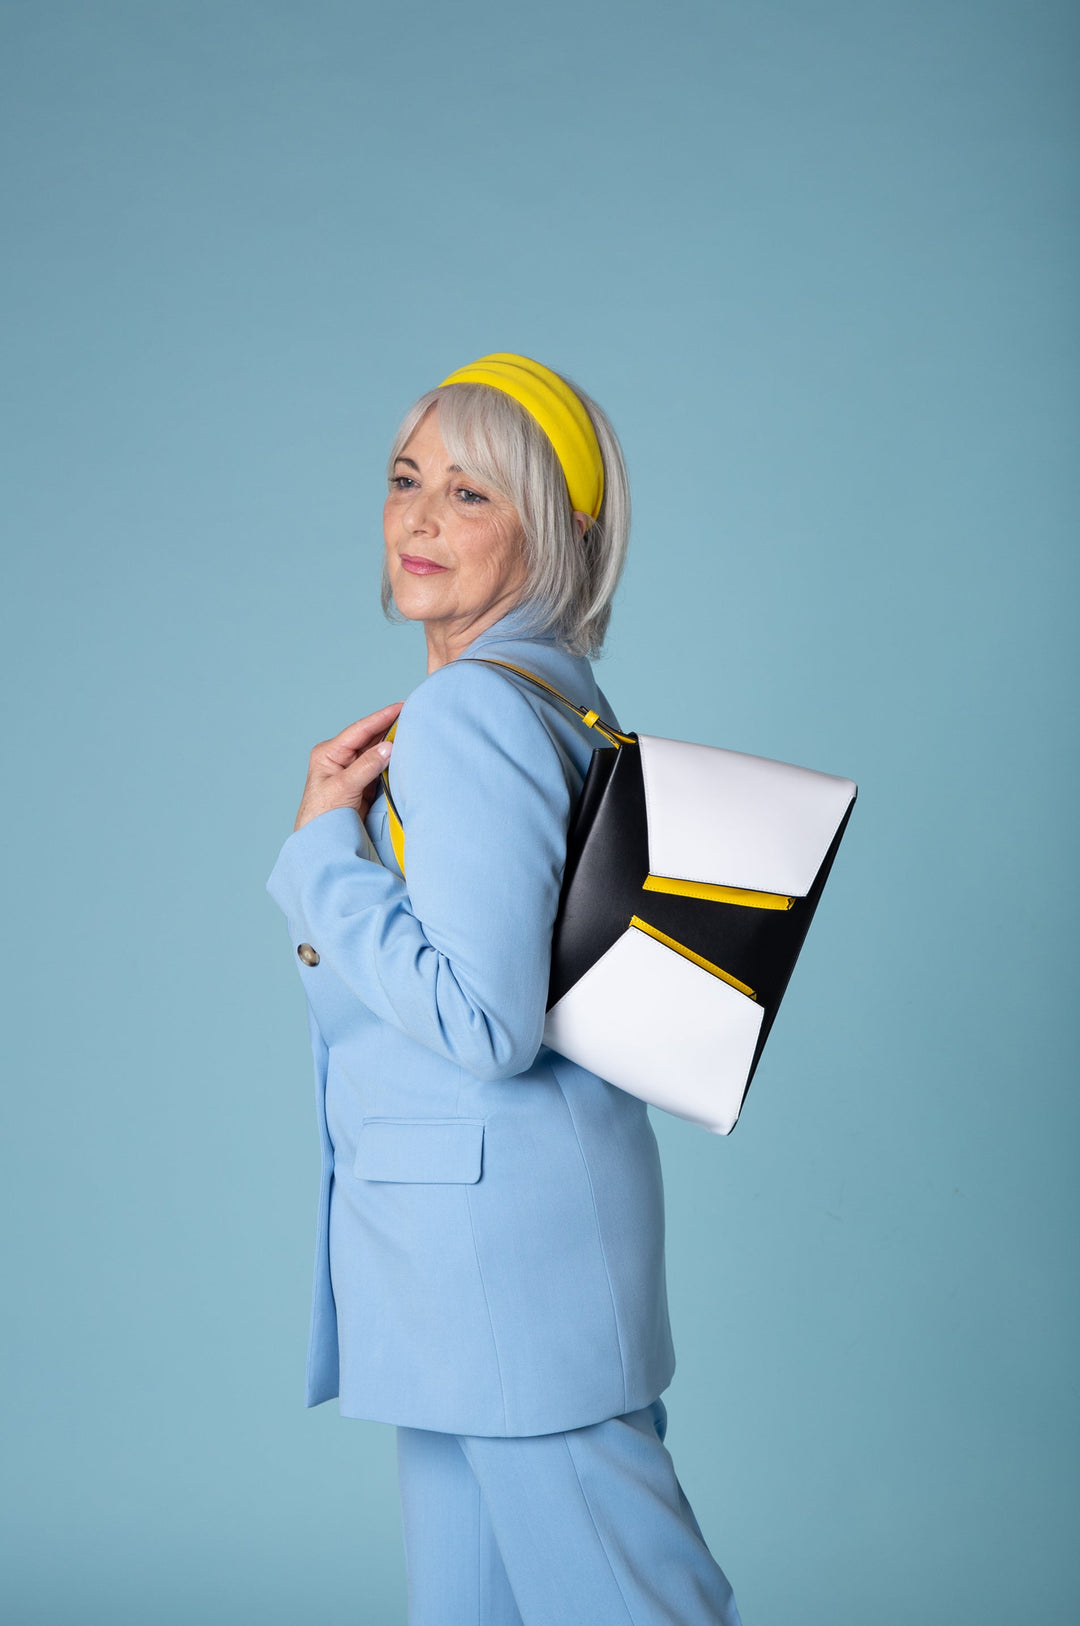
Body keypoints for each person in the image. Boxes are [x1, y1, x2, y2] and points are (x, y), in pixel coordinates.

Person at [266, 352, 744, 1625]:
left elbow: (483, 1025)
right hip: (488, 1264)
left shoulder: (475, 712)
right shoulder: (560, 701)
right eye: (406, 479)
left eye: (474, 495)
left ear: (555, 531)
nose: (422, 517)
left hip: (497, 1273)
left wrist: (323, 854)